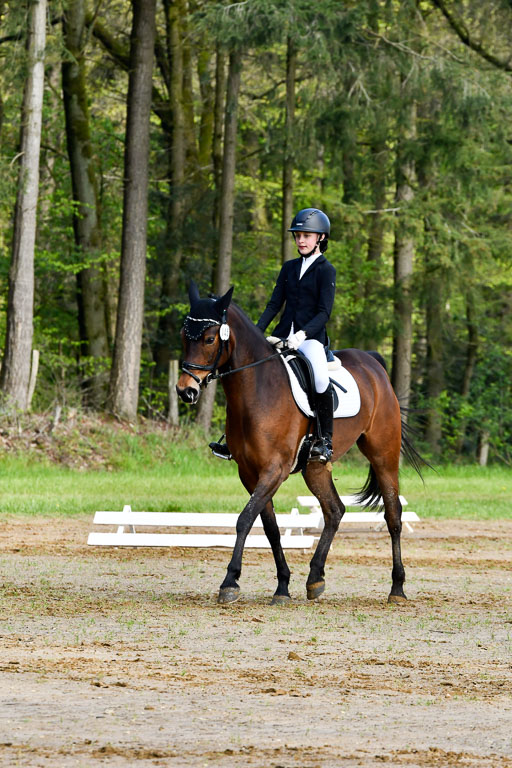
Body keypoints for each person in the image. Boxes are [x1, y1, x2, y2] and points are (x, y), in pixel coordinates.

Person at [256, 207, 336, 463]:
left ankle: (325, 441)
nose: (300, 240)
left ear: (320, 238)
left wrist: (302, 335)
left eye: (306, 236)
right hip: (281, 337)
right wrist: (257, 333)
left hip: (309, 340)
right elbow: (273, 305)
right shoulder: (289, 268)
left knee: (321, 380)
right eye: (298, 235)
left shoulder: (326, 270)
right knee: (253, 375)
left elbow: (324, 313)